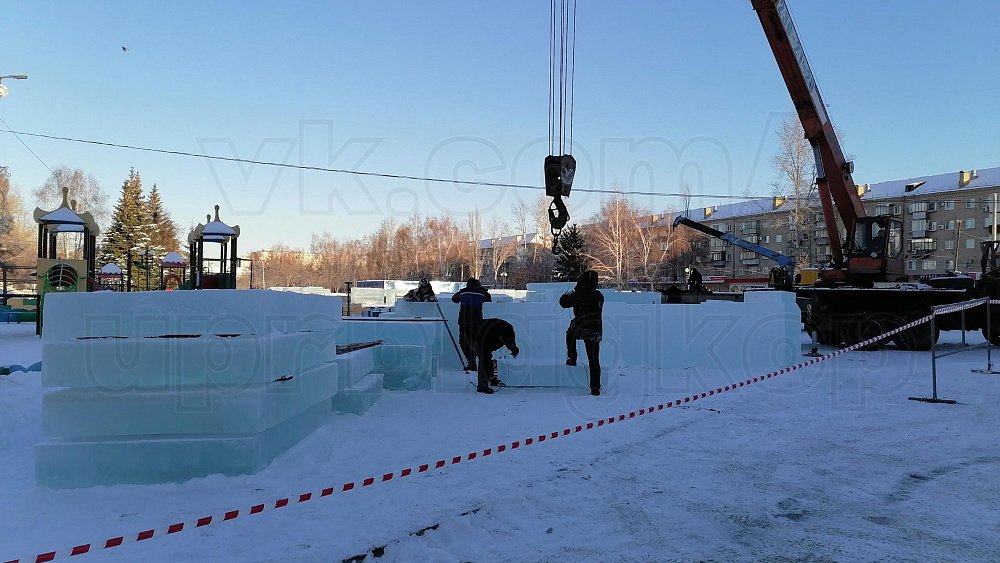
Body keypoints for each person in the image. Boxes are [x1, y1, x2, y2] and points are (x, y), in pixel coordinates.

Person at [559, 270, 604, 396]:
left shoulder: (581, 294)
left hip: (581, 326)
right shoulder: (599, 295)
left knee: (569, 335)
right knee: (594, 359)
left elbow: (563, 302)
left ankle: (572, 358)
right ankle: (595, 387)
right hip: (596, 329)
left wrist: (571, 293)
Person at [451, 277, 492, 371]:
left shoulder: (464, 292)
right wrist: (483, 290)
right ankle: (481, 363)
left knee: (463, 342)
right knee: (476, 342)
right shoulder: (482, 293)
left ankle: (471, 362)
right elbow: (489, 300)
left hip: (464, 321)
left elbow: (454, 299)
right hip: (477, 321)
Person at [472, 318, 519, 394]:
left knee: (486, 357)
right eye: (500, 344)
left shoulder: (508, 332)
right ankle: (482, 385)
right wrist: (491, 377)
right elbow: (485, 356)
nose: (499, 347)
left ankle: (490, 378)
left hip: (489, 330)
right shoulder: (487, 336)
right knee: (484, 357)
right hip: (474, 333)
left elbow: (510, 342)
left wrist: (514, 349)